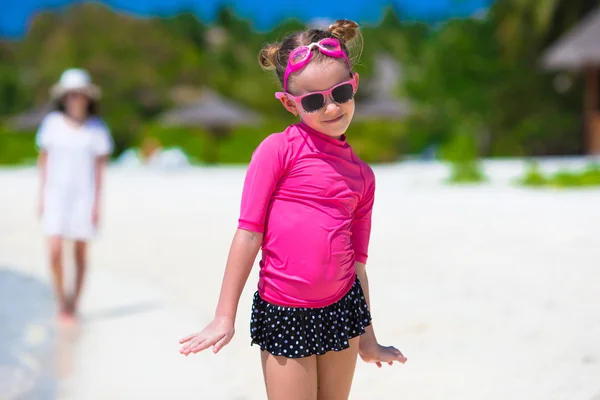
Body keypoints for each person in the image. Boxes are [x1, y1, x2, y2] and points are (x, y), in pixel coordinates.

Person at [179, 20, 406, 399]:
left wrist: (368, 340)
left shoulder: (363, 176)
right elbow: (249, 233)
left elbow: (357, 266)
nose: (331, 106)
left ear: (355, 85)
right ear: (289, 103)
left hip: (342, 310)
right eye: (314, 101)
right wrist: (224, 316)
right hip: (285, 310)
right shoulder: (277, 151)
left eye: (341, 93)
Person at [36, 68, 113, 323]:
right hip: (56, 195)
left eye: (79, 95)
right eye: (70, 95)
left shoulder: (97, 128)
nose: (75, 100)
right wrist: (41, 197)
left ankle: (74, 303)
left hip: (84, 196)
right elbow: (44, 162)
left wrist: (97, 205)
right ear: (63, 97)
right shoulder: (51, 125)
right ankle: (62, 299)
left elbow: (100, 171)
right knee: (55, 251)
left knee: (80, 253)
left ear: (87, 97)